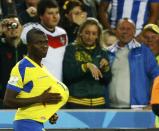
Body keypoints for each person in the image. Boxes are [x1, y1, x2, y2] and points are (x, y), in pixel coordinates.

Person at [3, 28, 69, 131]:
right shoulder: (22, 67)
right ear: (29, 46)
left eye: (46, 42)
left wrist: (48, 112)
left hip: (35, 123)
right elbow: (8, 101)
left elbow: (32, 95)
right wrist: (40, 98)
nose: (45, 46)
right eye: (39, 43)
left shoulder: (42, 67)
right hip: (25, 123)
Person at [107, 18, 159, 109]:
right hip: (111, 108)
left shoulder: (144, 52)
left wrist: (152, 103)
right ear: (116, 31)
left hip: (138, 108)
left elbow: (157, 78)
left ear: (134, 32)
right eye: (122, 28)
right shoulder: (108, 52)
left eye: (128, 29)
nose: (125, 32)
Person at [63, 18, 112, 109]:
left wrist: (106, 68)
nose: (90, 37)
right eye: (87, 32)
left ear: (98, 35)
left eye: (94, 33)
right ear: (81, 32)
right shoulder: (71, 49)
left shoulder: (102, 52)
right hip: (76, 103)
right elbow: (68, 75)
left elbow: (107, 80)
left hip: (99, 104)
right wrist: (86, 66)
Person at [21, 0, 68, 81]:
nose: (55, 16)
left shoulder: (62, 33)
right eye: (50, 13)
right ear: (41, 15)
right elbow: (12, 33)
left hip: (58, 84)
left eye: (57, 12)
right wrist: (24, 15)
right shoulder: (30, 29)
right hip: (37, 83)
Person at [0, 16, 27, 108]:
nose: (12, 28)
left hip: (25, 102)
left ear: (22, 28)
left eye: (15, 25)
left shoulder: (29, 49)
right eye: (8, 25)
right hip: (3, 101)